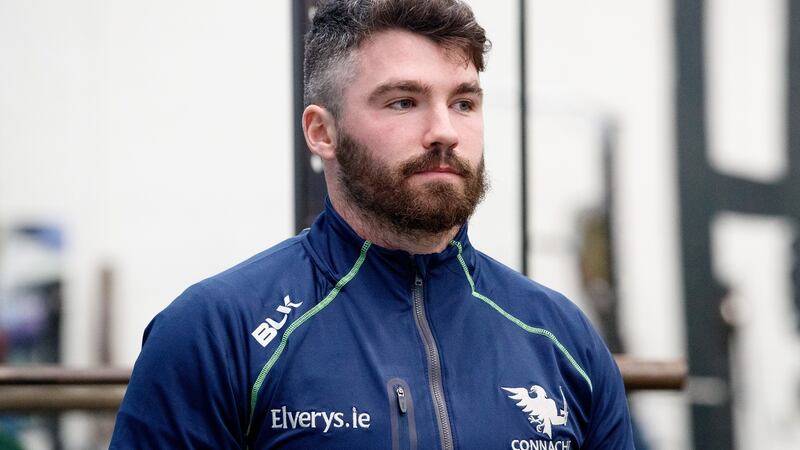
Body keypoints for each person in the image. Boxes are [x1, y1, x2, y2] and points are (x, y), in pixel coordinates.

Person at [110, 0, 634, 448]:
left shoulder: (563, 339)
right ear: (322, 132)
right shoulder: (214, 331)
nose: (444, 131)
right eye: (404, 101)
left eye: (464, 102)